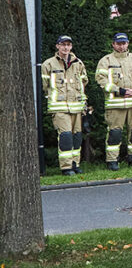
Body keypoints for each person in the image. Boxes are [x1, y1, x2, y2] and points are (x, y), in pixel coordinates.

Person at [95, 32, 132, 171]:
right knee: (115, 134)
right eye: (118, 44)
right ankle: (112, 161)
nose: (121, 46)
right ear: (113, 44)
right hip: (115, 106)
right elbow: (100, 80)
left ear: (128, 44)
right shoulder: (106, 61)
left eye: (124, 43)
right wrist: (118, 90)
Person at [40, 35, 89, 175]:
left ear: (71, 46)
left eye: (68, 45)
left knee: (77, 137)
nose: (66, 47)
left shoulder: (78, 63)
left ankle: (75, 163)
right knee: (65, 136)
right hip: (59, 108)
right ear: (57, 46)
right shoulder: (48, 64)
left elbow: (84, 82)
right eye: (63, 45)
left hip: (77, 107)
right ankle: (66, 167)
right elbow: (44, 85)